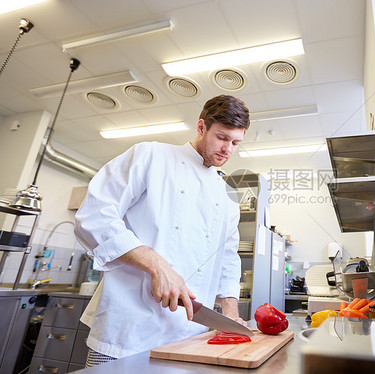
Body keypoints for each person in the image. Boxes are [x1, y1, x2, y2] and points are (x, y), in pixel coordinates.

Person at [74, 94, 250, 366]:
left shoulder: (227, 198)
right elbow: (94, 213)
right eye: (222, 137)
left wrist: (230, 312)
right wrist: (158, 265)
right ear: (201, 127)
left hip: (190, 334)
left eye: (236, 142)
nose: (228, 148)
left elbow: (227, 256)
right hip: (128, 328)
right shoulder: (150, 155)